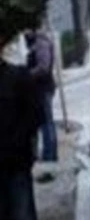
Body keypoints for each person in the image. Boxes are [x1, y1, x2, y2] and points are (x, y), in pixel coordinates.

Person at [0, 41, 47, 220]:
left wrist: (21, 142)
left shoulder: (16, 77)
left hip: (16, 163)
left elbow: (36, 115)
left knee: (23, 219)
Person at [23, 29, 57, 163]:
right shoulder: (36, 43)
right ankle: (48, 154)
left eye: (27, 31)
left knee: (46, 122)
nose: (25, 34)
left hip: (43, 88)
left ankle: (50, 155)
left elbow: (43, 67)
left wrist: (27, 74)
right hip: (40, 89)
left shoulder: (41, 42)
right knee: (43, 122)